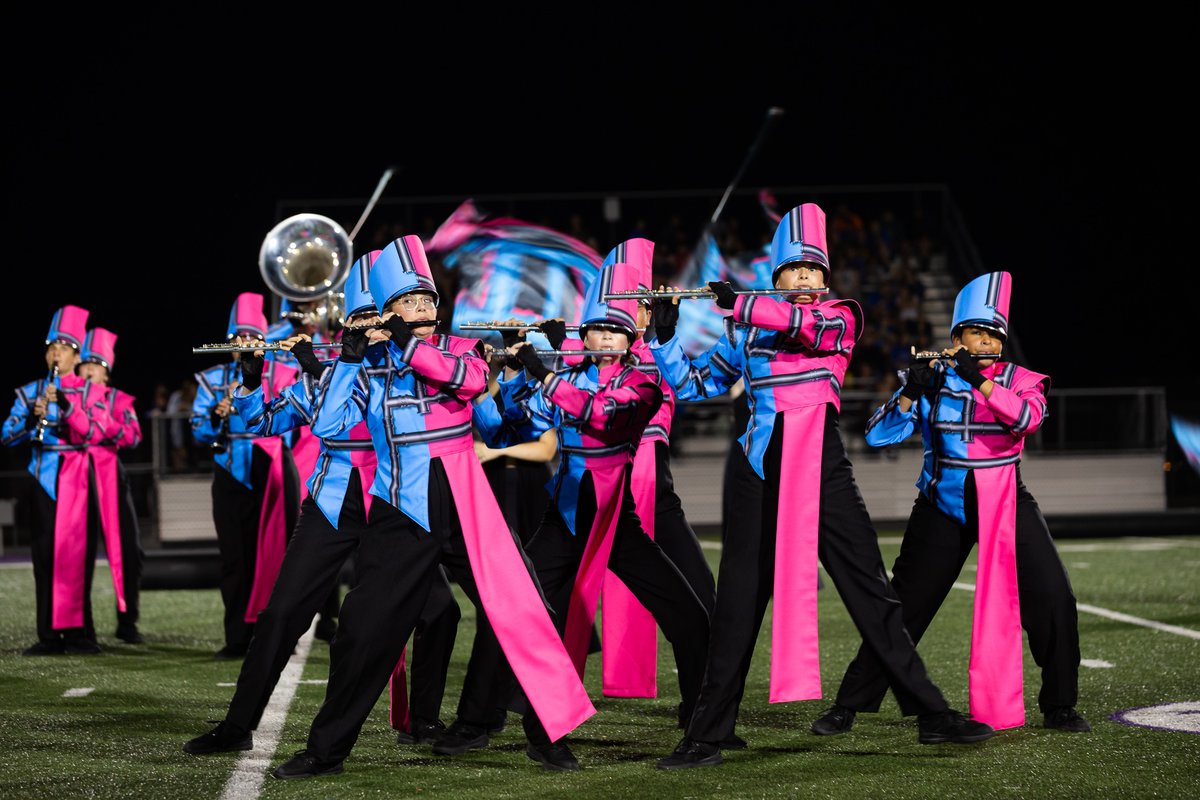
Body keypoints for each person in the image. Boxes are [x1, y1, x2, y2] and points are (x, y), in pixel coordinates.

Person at [649, 203, 994, 770]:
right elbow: (690, 385)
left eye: (815, 269)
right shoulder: (746, 331)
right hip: (757, 468)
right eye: (797, 269)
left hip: (821, 463)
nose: (808, 278)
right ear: (777, 277)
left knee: (870, 589)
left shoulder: (840, 316)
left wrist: (743, 302)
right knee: (738, 603)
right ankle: (708, 734)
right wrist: (666, 336)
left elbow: (803, 327)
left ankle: (931, 712)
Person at [270, 234, 593, 780]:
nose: (421, 311)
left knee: (524, 606)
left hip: (465, 493)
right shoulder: (369, 364)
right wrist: (348, 360)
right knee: (363, 630)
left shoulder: (462, 350)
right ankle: (326, 751)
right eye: (408, 304)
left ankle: (546, 734)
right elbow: (326, 426)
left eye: (427, 303)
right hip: (401, 502)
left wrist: (407, 344)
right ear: (388, 310)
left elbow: (467, 383)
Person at [182, 252, 463, 754]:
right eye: (359, 319)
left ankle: (423, 721)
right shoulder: (329, 368)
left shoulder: (412, 365)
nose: (369, 327)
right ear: (347, 322)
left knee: (440, 611)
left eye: (378, 318)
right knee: (282, 613)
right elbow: (267, 422)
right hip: (334, 500)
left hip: (393, 501)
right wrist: (251, 382)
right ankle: (237, 726)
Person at [810, 271, 1090, 736]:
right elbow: (878, 437)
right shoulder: (932, 380)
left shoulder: (1023, 380)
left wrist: (978, 383)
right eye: (973, 333)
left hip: (1005, 502)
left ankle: (1059, 703)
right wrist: (910, 394)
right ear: (955, 336)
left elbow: (1026, 419)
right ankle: (850, 705)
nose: (981, 342)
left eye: (991, 335)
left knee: (1054, 597)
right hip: (942, 503)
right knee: (902, 606)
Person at [486, 254, 711, 771]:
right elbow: (511, 425)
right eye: (597, 331)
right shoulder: (568, 374)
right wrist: (514, 372)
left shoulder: (645, 383)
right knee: (538, 621)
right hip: (562, 521)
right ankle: (541, 733)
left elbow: (604, 417)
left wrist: (545, 374)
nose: (606, 339)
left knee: (691, 619)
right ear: (583, 337)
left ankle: (701, 730)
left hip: (617, 521)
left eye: (616, 331)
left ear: (631, 340)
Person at [544, 237, 717, 705]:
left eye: (639, 305)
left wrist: (666, 338)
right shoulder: (591, 356)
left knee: (700, 599)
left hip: (652, 486)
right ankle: (505, 714)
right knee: (548, 604)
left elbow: (687, 386)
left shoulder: (656, 354)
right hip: (591, 490)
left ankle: (701, 711)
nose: (633, 314)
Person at [2, 304, 118, 655]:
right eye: (52, 347)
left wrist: (66, 406)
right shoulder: (30, 391)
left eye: (64, 348)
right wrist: (29, 419)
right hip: (43, 478)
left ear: (76, 353)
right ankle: (49, 636)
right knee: (44, 556)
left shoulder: (90, 391)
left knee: (79, 558)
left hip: (79, 478)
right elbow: (6, 435)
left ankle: (81, 633)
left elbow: (96, 432)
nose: (56, 353)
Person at [191, 292, 301, 660]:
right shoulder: (211, 379)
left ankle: (274, 635)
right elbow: (197, 431)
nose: (244, 343)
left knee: (276, 554)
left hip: (272, 468)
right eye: (238, 337)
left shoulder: (283, 374)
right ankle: (237, 637)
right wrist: (214, 417)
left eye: (252, 336)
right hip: (229, 469)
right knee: (234, 559)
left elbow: (294, 418)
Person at [77, 327, 145, 645]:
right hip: (76, 478)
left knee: (130, 550)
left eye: (96, 363)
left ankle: (127, 621)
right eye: (85, 363)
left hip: (111, 477)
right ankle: (81, 626)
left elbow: (133, 437)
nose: (89, 369)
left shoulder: (119, 400)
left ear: (106, 372)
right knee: (79, 555)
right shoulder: (68, 397)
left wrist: (104, 422)